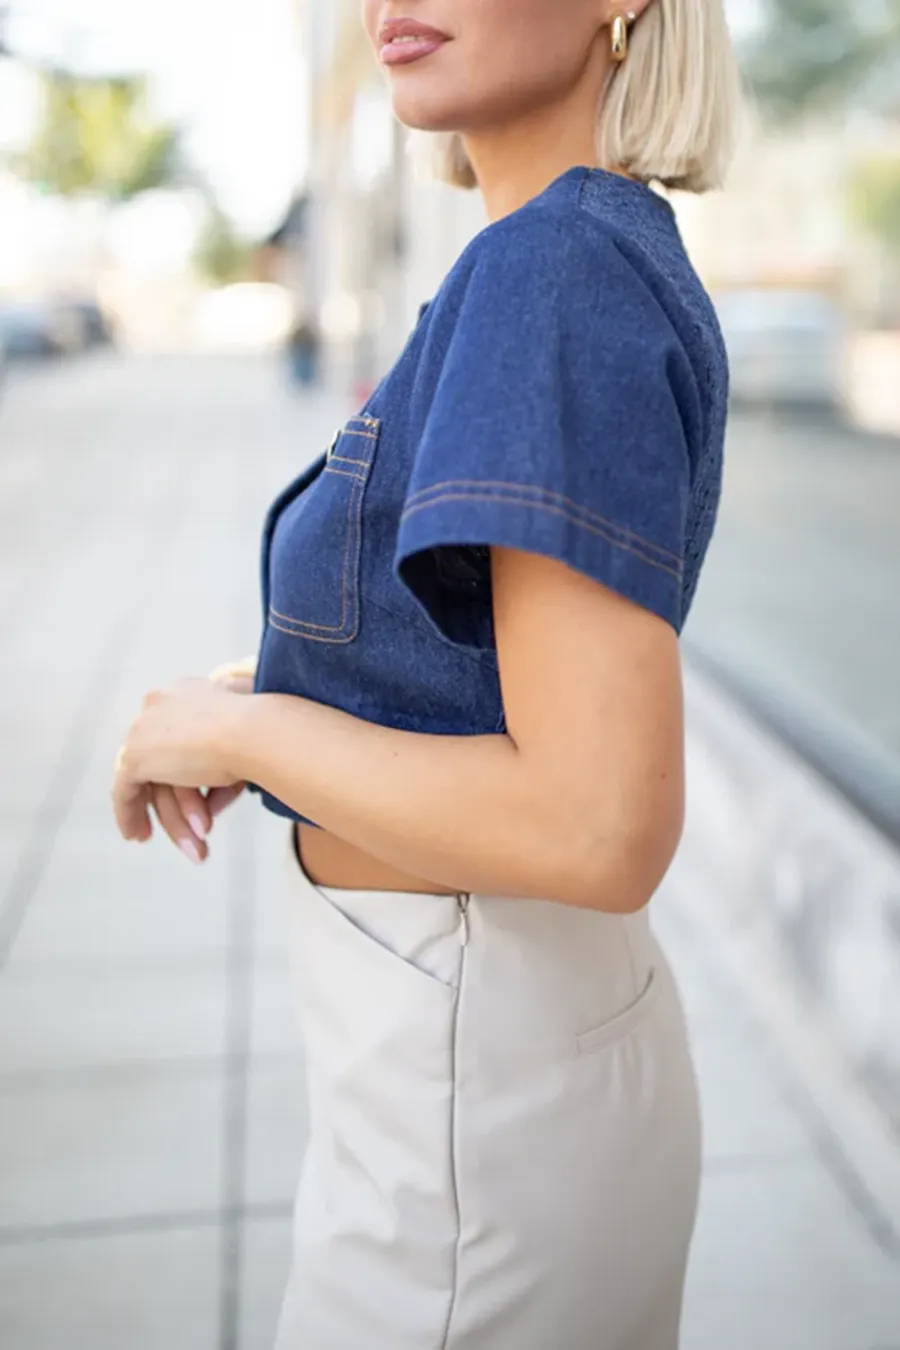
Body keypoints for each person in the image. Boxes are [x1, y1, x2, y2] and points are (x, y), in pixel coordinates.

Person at [112, 0, 742, 1345]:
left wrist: (254, 737)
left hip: (470, 1110)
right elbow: (483, 662)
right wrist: (246, 700)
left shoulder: (555, 271)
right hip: (483, 1066)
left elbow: (599, 820)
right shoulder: (553, 254)